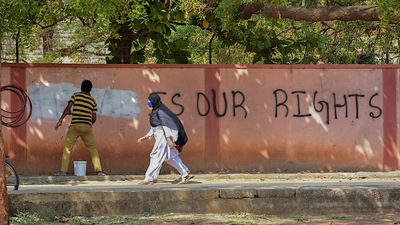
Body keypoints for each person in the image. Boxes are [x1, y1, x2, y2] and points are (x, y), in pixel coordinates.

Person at [137, 93, 193, 185]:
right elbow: (155, 127)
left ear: (154, 101)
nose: (148, 102)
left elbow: (166, 127)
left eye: (149, 101)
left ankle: (149, 178)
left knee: (155, 156)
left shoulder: (160, 112)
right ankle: (185, 174)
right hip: (161, 136)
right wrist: (146, 136)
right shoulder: (156, 111)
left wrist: (169, 140)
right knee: (171, 157)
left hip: (163, 138)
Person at [54, 80, 106, 176]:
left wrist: (61, 119)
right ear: (90, 89)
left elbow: (68, 108)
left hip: (75, 126)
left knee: (67, 148)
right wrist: (87, 123)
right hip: (87, 127)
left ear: (81, 87)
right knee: (93, 149)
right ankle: (99, 171)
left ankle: (63, 171)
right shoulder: (93, 100)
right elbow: (94, 118)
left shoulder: (75, 95)